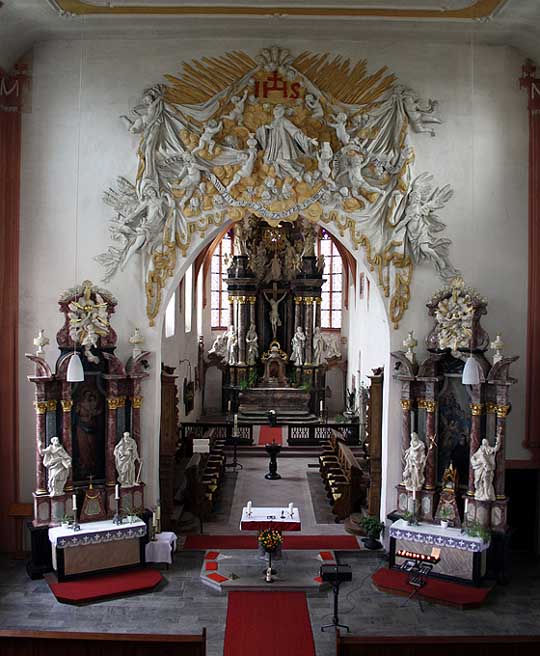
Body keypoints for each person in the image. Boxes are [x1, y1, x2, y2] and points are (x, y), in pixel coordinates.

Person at [256, 104, 318, 180]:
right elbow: (268, 131)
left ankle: (295, 174)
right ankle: (295, 171)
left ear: (281, 112)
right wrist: (265, 128)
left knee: (279, 160)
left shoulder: (284, 121)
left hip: (282, 146)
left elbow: (295, 132)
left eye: (277, 110)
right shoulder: (274, 122)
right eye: (275, 110)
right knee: (270, 160)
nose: (275, 112)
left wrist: (309, 139)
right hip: (273, 147)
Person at [470, 430, 502, 501]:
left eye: (485, 443)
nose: (484, 444)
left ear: (487, 443)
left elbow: (496, 449)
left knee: (486, 481)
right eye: (483, 443)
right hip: (480, 469)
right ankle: (480, 493)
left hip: (487, 469)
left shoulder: (489, 449)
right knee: (478, 482)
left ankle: (487, 493)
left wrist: (499, 439)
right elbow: (473, 457)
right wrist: (476, 461)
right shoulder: (480, 450)